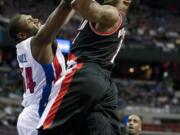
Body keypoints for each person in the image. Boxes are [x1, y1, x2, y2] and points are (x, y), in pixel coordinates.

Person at [38, 0, 133, 135]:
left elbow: (81, 5)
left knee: (50, 130)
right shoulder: (116, 17)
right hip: (106, 86)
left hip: (84, 74)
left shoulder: (111, 12)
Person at [8, 1, 74, 135]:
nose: (36, 19)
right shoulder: (36, 43)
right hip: (37, 115)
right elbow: (61, 12)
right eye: (30, 21)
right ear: (22, 35)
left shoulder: (31, 45)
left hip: (38, 112)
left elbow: (61, 19)